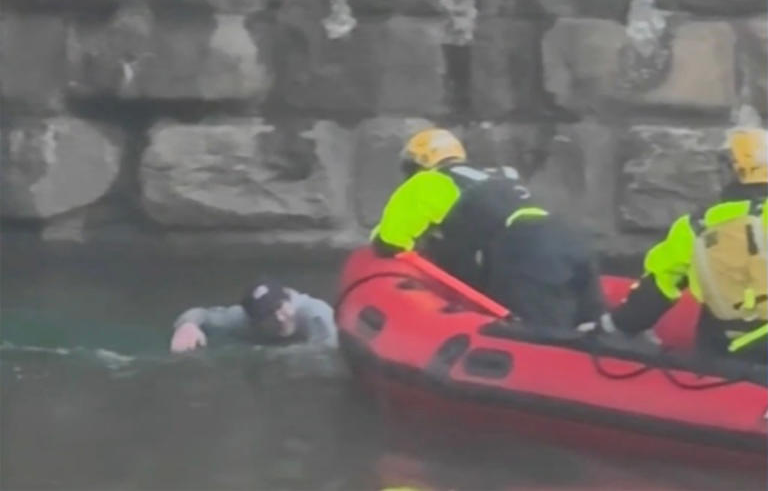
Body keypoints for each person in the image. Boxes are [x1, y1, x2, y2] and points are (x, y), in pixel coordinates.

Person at [370, 127, 604, 329]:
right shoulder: (501, 174)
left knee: (536, 338)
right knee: (592, 326)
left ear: (419, 164)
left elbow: (390, 241)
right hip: (568, 238)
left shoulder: (427, 182)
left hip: (523, 250)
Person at [595, 127, 767, 362]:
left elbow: (654, 293)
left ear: (732, 171)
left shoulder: (694, 227)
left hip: (726, 356)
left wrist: (612, 327)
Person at [170, 284, 337, 352]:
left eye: (280, 307)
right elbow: (201, 314)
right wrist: (187, 325)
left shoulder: (317, 316)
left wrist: (286, 354)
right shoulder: (243, 319)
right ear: (255, 321)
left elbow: (328, 354)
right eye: (268, 315)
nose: (279, 318)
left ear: (289, 298)